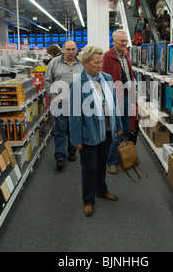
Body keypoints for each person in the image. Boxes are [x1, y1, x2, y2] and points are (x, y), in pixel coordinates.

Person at [69, 45, 123, 217]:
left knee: (101, 163)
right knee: (89, 168)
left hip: (107, 129)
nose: (100, 65)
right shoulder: (77, 84)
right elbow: (75, 114)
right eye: (96, 62)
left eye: (101, 62)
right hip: (89, 132)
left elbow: (115, 105)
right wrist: (76, 138)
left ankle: (102, 190)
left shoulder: (107, 78)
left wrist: (119, 126)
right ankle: (88, 200)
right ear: (85, 63)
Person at [44, 40, 84, 169]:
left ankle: (72, 151)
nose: (71, 52)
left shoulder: (82, 63)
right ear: (63, 50)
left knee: (74, 128)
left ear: (77, 50)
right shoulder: (54, 63)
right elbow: (47, 81)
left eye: (73, 49)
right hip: (60, 103)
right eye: (68, 49)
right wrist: (54, 97)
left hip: (76, 103)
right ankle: (60, 156)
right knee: (60, 129)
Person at [102, 29, 137, 174]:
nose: (124, 43)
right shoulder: (107, 56)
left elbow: (129, 75)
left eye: (126, 41)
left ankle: (123, 157)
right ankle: (112, 161)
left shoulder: (126, 54)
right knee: (118, 130)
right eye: (122, 41)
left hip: (128, 95)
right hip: (116, 97)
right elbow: (104, 79)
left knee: (128, 129)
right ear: (114, 41)